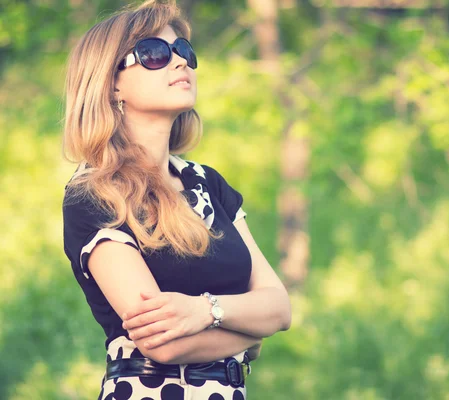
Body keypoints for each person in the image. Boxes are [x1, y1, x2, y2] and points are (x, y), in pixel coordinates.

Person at [61, 1, 292, 399]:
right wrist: (248, 333)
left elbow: (279, 309)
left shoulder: (208, 183)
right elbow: (163, 345)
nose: (180, 62)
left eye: (184, 50)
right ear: (111, 82)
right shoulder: (95, 193)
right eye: (155, 54)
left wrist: (205, 312)